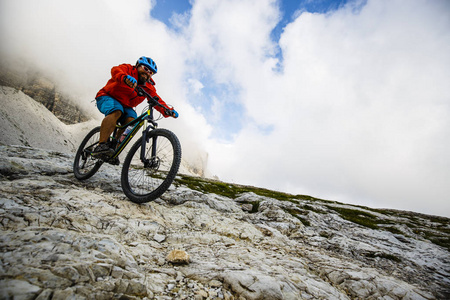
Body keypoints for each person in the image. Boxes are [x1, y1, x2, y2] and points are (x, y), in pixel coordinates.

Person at [93, 56, 178, 158]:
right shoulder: (128, 69)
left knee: (132, 120)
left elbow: (156, 99)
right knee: (117, 111)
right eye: (145, 69)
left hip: (126, 106)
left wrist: (168, 111)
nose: (147, 73)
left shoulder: (148, 87)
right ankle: (101, 146)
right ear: (137, 66)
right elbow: (115, 70)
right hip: (107, 96)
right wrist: (124, 77)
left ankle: (113, 148)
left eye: (151, 72)